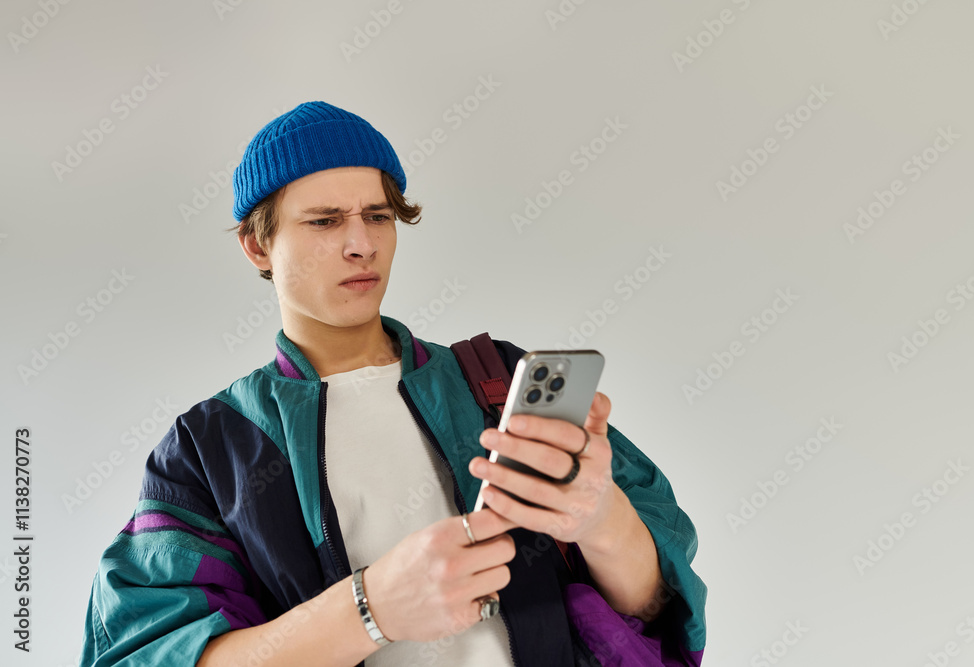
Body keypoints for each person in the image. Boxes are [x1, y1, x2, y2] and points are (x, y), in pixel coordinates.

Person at [78, 101, 707, 666]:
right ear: (256, 245)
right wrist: (370, 609)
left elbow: (659, 604)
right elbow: (149, 653)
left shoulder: (494, 378)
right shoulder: (212, 448)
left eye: (377, 216)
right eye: (324, 222)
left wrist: (600, 519)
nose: (361, 245)